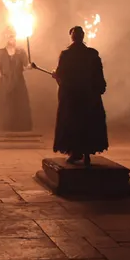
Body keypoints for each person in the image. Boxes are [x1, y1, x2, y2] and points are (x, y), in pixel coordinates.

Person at [50, 25, 108, 166]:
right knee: (87, 123)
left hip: (73, 97)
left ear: (72, 37)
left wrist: (56, 75)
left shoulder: (66, 54)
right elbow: (99, 75)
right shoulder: (92, 54)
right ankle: (85, 153)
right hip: (88, 95)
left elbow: (62, 75)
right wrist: (99, 87)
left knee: (74, 123)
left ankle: (76, 152)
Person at [0, 34, 33, 132]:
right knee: (5, 104)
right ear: (6, 38)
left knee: (19, 104)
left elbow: (25, 65)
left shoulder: (21, 52)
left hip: (18, 82)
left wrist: (29, 66)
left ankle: (20, 127)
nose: (12, 39)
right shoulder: (1, 53)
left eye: (13, 37)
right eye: (10, 37)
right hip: (5, 83)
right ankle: (4, 127)